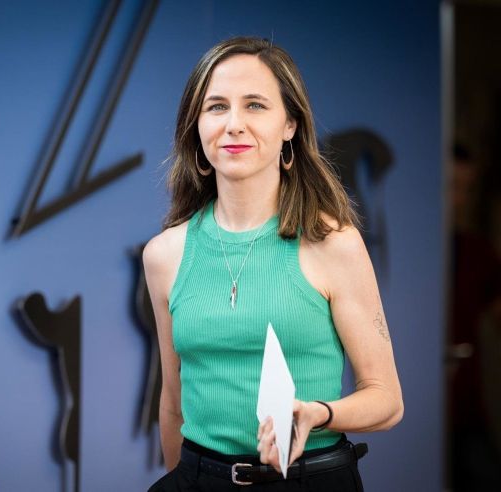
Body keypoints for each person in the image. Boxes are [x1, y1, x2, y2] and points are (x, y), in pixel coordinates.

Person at [143, 36, 403, 491]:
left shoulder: (333, 243)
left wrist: (318, 413)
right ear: (196, 126)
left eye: (255, 105)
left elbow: (387, 401)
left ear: (290, 125)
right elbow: (172, 402)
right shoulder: (164, 255)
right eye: (216, 107)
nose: (234, 124)